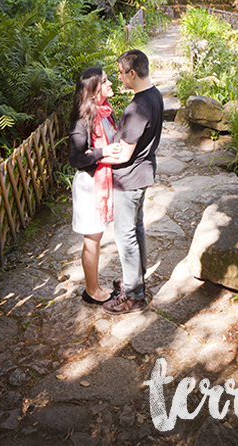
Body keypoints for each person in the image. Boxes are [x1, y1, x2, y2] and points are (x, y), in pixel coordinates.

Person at [101, 49, 164, 315]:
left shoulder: (138, 107)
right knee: (136, 230)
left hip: (129, 178)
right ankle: (134, 281)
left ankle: (134, 296)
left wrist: (96, 159)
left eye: (121, 72)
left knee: (125, 235)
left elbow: (125, 153)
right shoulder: (155, 95)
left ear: (132, 73)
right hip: (142, 172)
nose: (118, 77)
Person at [68, 66, 118, 305]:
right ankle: (92, 291)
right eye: (105, 81)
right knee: (92, 238)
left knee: (97, 236)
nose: (110, 84)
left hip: (101, 181)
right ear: (94, 89)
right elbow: (75, 159)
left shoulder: (106, 112)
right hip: (89, 185)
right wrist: (102, 152)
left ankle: (95, 286)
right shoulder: (83, 121)